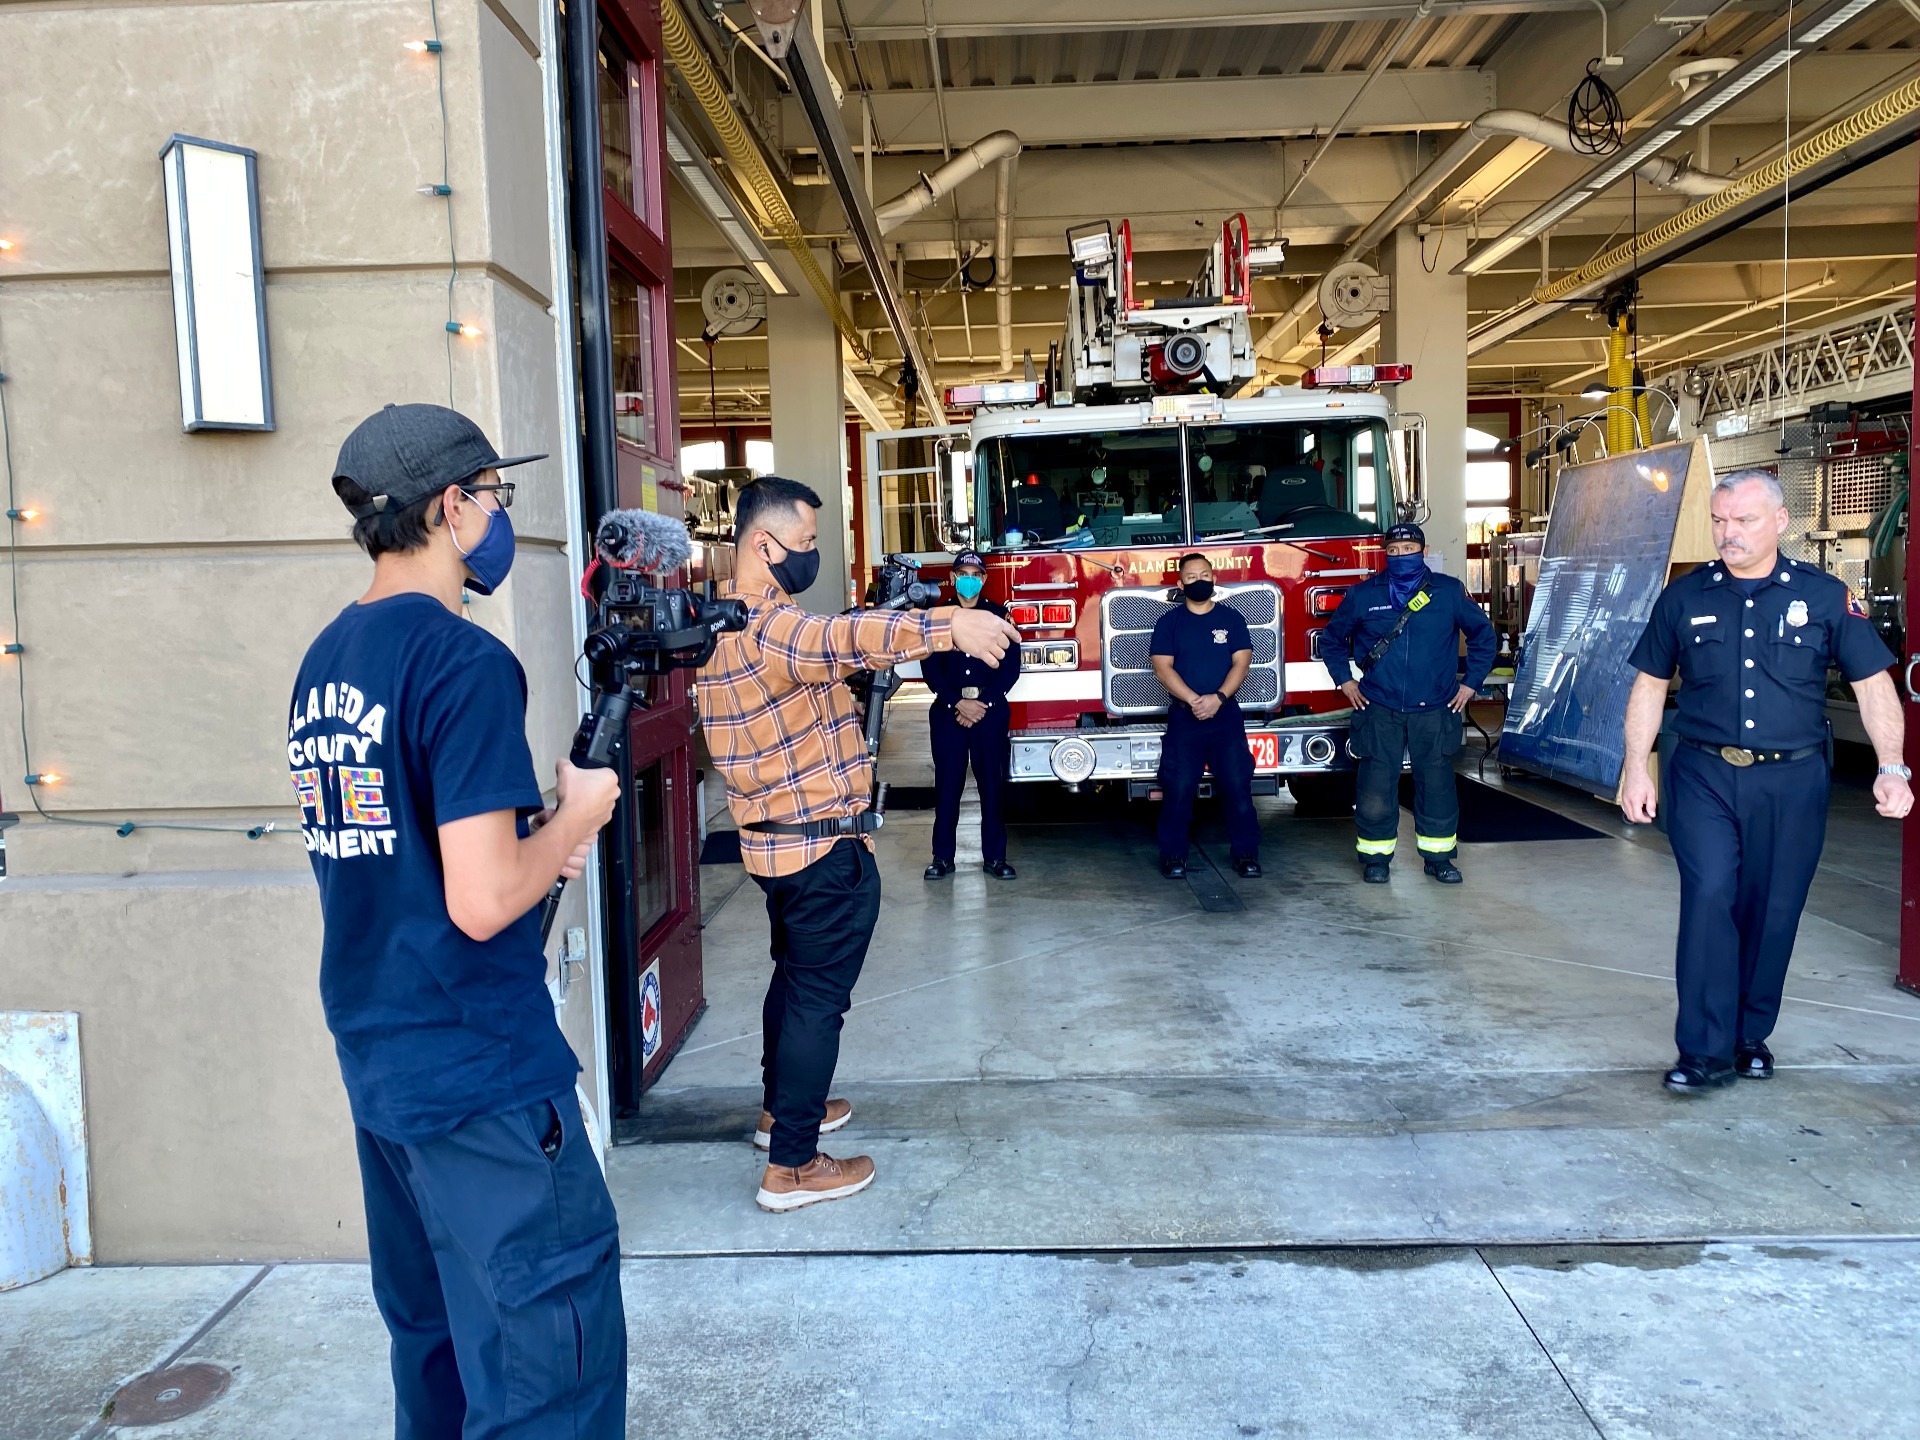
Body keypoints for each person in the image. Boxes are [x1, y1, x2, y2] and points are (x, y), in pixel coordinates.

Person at [290, 403, 626, 1439]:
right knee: (546, 1364)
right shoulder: (462, 661)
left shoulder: (327, 659)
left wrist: (537, 844)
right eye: (493, 494)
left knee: (437, 1345)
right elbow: (481, 902)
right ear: (449, 506)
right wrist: (578, 813)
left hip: (384, 1063)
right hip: (482, 1073)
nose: (498, 514)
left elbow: (416, 855)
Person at [697, 477, 1020, 1211]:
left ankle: (783, 1113)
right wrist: (947, 624)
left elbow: (825, 647)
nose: (812, 555)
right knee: (817, 1001)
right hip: (819, 851)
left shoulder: (720, 619)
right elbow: (837, 639)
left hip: (775, 844)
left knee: (793, 981)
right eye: (806, 543)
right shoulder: (769, 626)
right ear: (763, 544)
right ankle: (793, 1166)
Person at [1620, 469, 1909, 1095]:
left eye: (1744, 521)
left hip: (1793, 779)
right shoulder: (1684, 597)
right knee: (1709, 896)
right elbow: (1649, 683)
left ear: (1780, 522)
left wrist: (1891, 767)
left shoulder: (1825, 597)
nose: (1729, 533)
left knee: (1772, 909)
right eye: (1719, 521)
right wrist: (1635, 766)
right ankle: (1703, 1050)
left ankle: (1749, 1035)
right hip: (1703, 772)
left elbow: (1872, 685)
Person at [1320, 522, 1497, 885]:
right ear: (1385, 554)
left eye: (1408, 549)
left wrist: (1471, 684)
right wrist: (1345, 680)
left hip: (1435, 707)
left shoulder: (1447, 592)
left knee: (1437, 786)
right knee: (1375, 786)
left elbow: (1483, 635)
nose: (1401, 556)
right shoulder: (1363, 595)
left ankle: (1439, 858)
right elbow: (1332, 640)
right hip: (1378, 706)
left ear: (1423, 551)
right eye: (1393, 551)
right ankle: (1375, 859)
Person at [1151, 552, 1262, 879]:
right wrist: (1194, 701)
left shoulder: (1232, 619)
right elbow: (1162, 668)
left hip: (1226, 717)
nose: (1199, 581)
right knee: (1178, 789)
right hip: (1185, 719)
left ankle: (1246, 854)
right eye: (1191, 577)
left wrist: (1219, 698)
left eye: (1204, 575)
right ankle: (1173, 856)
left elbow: (1242, 662)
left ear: (1214, 578)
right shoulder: (1169, 623)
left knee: (1237, 787)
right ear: (1180, 584)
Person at [924, 549, 1021, 881]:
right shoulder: (938, 617)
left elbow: (1010, 669)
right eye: (962, 574)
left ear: (984, 579)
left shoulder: (999, 617)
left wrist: (984, 704)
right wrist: (956, 703)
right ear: (953, 578)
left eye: (975, 575)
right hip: (948, 713)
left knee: (992, 786)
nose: (969, 580)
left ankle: (995, 858)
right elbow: (930, 670)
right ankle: (942, 858)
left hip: (989, 713)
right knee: (947, 786)